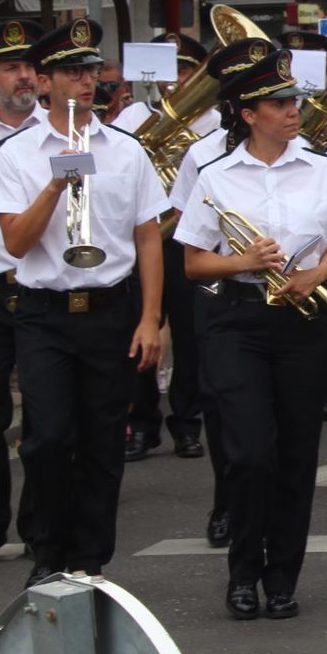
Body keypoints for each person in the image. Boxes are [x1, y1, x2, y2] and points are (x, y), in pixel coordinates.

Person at [175, 47, 327, 620]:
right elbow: (194, 263)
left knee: (297, 453)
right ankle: (242, 570)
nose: (291, 111)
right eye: (278, 104)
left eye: (293, 101)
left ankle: (282, 577)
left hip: (301, 323)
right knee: (251, 452)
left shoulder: (323, 170)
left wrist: (314, 276)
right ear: (247, 113)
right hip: (238, 321)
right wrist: (245, 262)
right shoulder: (215, 176)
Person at [0, 18, 167, 587]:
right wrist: (55, 182)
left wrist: (150, 318)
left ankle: (89, 558)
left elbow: (147, 237)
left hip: (110, 309)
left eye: (91, 71)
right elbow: (17, 242)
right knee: (45, 437)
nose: (87, 82)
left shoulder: (126, 150)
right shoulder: (14, 153)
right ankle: (48, 549)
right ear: (44, 82)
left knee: (101, 441)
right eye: (72, 72)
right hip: (44, 311)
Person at [167, 38, 281, 551]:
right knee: (218, 401)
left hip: (282, 293)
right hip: (218, 287)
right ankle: (226, 500)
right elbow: (185, 230)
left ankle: (263, 509)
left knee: (270, 414)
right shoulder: (202, 153)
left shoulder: (294, 147)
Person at [121, 31, 218, 464]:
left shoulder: (214, 123)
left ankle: (186, 423)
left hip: (187, 239)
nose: (176, 79)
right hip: (144, 239)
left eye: (184, 69)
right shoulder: (132, 118)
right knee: (139, 331)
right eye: (169, 70)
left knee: (190, 333)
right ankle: (142, 424)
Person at [0, 18, 45, 554]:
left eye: (29, 67)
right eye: (11, 67)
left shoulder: (60, 132)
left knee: (45, 416)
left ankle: (39, 528)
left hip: (38, 282)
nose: (24, 77)